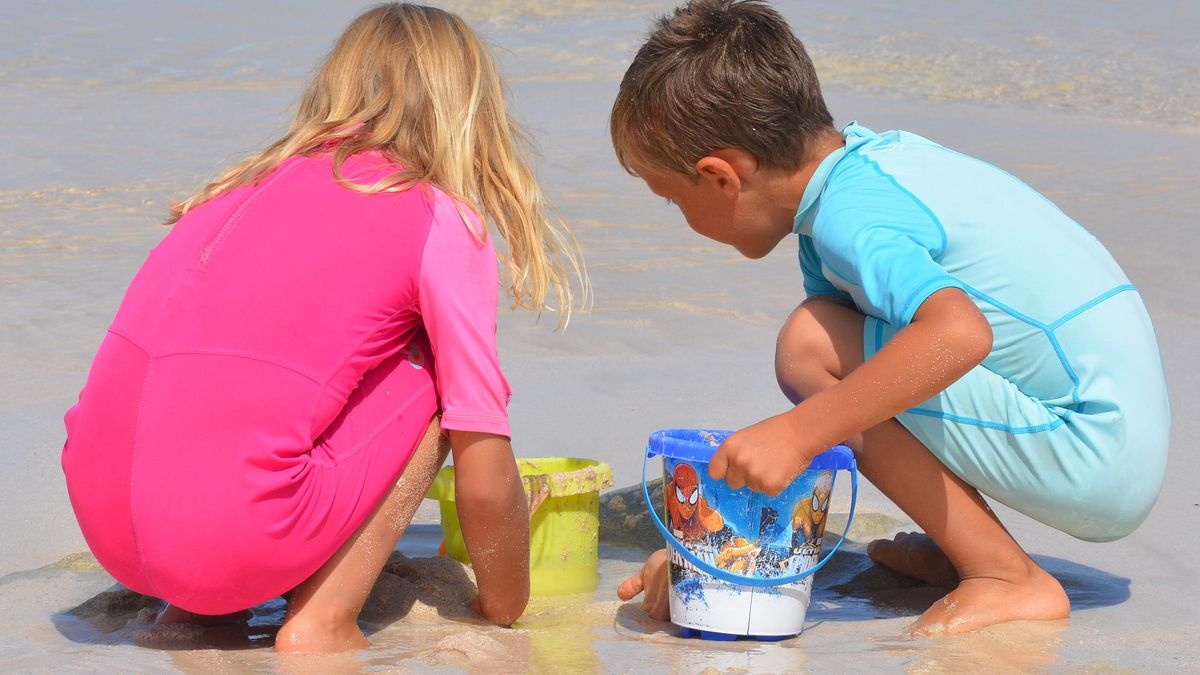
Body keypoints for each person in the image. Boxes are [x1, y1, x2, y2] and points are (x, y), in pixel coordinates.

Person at [612, 0, 1168, 636]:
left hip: (1095, 453)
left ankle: (1005, 575)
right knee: (849, 347)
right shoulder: (870, 166)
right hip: (1111, 433)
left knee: (809, 347)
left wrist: (797, 435)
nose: (679, 219)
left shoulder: (850, 220)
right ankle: (963, 544)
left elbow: (960, 334)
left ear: (720, 178)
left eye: (670, 198)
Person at [60, 3, 585, 653]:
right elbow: (482, 460)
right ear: (470, 114)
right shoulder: (436, 214)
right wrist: (504, 606)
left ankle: (197, 613)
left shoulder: (233, 189)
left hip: (107, 521)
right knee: (435, 370)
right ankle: (324, 617)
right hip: (230, 535)